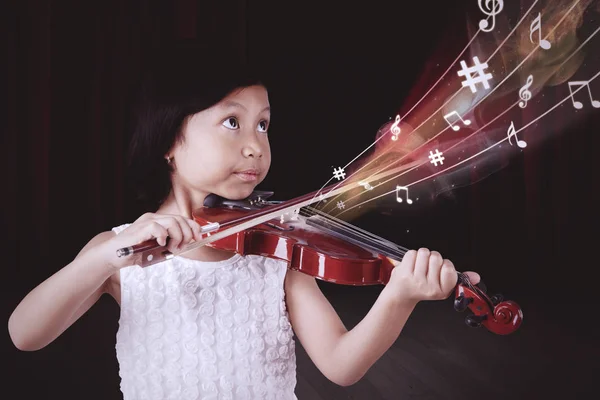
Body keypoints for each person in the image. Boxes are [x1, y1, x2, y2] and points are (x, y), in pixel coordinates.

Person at [8, 45, 480, 400]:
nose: (256, 144)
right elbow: (25, 334)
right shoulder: (118, 252)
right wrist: (108, 255)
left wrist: (399, 296)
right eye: (233, 122)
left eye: (264, 124)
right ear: (170, 140)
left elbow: (341, 364)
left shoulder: (275, 254)